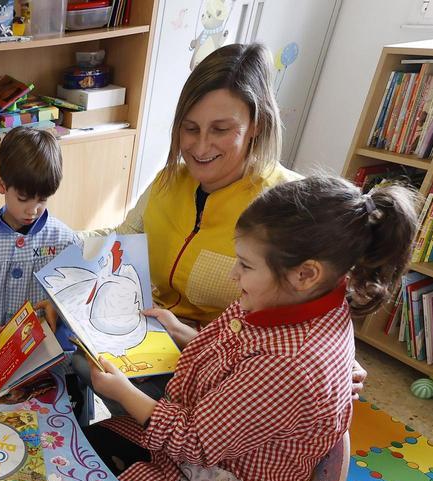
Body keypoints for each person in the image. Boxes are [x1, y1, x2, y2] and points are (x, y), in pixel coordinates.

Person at [83, 175, 417, 481]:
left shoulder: (290, 363)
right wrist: (183, 332)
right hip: (202, 448)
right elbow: (233, 360)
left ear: (306, 273)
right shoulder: (282, 298)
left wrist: (122, 391)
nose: (233, 275)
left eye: (244, 265)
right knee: (77, 451)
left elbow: (195, 442)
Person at [86, 43, 367, 400]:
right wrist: (50, 237)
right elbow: (119, 238)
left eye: (220, 129)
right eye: (190, 128)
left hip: (228, 375)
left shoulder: (290, 206)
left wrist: (343, 358)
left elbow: (324, 306)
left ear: (256, 125)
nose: (200, 147)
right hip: (149, 338)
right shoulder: (169, 179)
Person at [0, 127, 80, 373]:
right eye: (23, 199)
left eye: (42, 200)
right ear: (1, 184)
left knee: (66, 383)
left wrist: (59, 307)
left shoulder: (65, 240)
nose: (33, 210)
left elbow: (80, 292)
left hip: (51, 347)